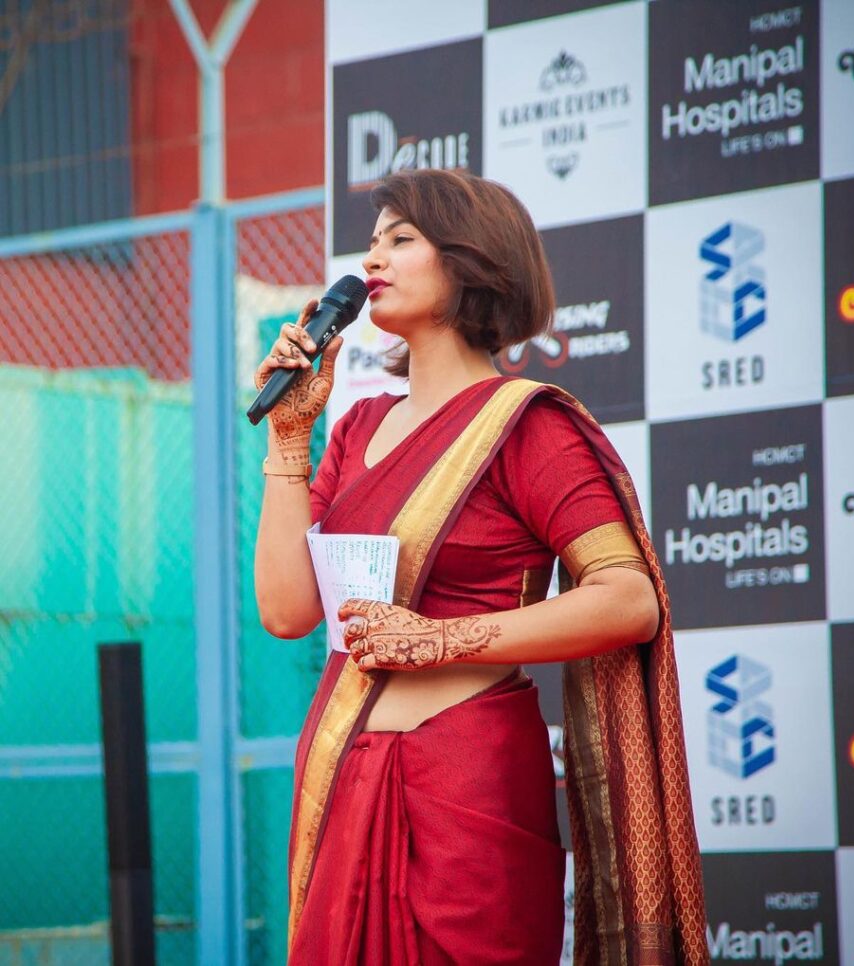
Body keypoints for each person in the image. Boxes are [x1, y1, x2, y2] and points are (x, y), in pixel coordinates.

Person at [254, 169, 706, 965]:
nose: (372, 260)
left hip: (466, 783)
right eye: (371, 243)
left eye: (401, 240)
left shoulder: (528, 427)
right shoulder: (356, 429)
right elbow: (287, 613)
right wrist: (290, 438)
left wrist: (439, 639)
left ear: (471, 260)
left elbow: (629, 600)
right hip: (344, 771)